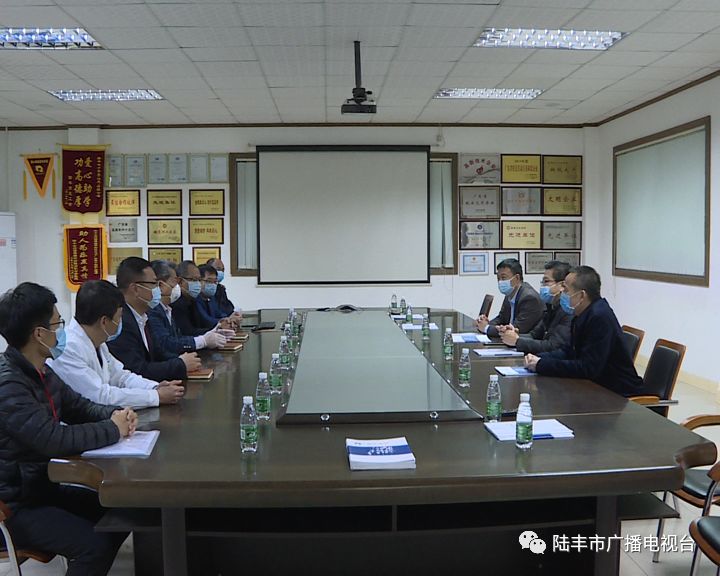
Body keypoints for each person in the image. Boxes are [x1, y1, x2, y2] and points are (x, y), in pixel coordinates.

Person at [0, 282, 136, 575]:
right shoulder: (9, 385)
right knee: (94, 546)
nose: (62, 331)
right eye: (57, 324)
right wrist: (113, 429)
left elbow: (79, 407)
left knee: (122, 512)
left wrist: (117, 414)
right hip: (16, 506)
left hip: (42, 489)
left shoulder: (42, 371)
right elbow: (53, 439)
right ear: (39, 334)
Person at [50, 279, 185, 409]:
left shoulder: (98, 341)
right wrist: (155, 397)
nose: (121, 322)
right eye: (119, 317)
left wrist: (154, 387)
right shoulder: (68, 348)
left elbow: (121, 377)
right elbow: (100, 396)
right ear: (104, 322)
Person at [524, 265, 645, 397]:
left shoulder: (599, 317)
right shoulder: (582, 313)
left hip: (618, 394)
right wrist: (539, 358)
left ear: (581, 295)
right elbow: (568, 351)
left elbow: (588, 368)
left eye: (566, 289)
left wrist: (542, 365)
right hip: (595, 388)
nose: (562, 292)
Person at [108, 257, 201, 381]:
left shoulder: (143, 315)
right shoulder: (121, 321)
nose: (158, 289)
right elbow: (137, 369)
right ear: (135, 289)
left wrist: (183, 360)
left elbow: (158, 352)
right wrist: (180, 364)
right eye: (154, 284)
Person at [147, 260, 229, 359]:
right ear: (161, 285)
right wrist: (203, 341)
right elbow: (165, 343)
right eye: (175, 282)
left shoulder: (168, 308)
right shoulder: (154, 310)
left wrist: (212, 333)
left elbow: (178, 337)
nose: (178, 286)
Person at [498, 260, 572, 354]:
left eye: (546, 281)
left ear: (562, 285)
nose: (542, 286)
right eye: (542, 282)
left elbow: (553, 346)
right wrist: (514, 335)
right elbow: (534, 335)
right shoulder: (550, 307)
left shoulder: (567, 311)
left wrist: (517, 341)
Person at [475, 258, 544, 338]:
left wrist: (486, 328)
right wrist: (484, 323)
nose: (500, 282)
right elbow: (501, 318)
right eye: (498, 278)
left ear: (517, 278)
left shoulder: (529, 298)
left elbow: (516, 330)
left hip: (527, 343)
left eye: (503, 278)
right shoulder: (510, 294)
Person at [171, 260, 216, 336]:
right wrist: (215, 331)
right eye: (194, 280)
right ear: (180, 281)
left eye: (199, 280)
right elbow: (187, 332)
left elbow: (204, 322)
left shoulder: (192, 300)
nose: (198, 284)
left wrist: (221, 325)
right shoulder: (176, 303)